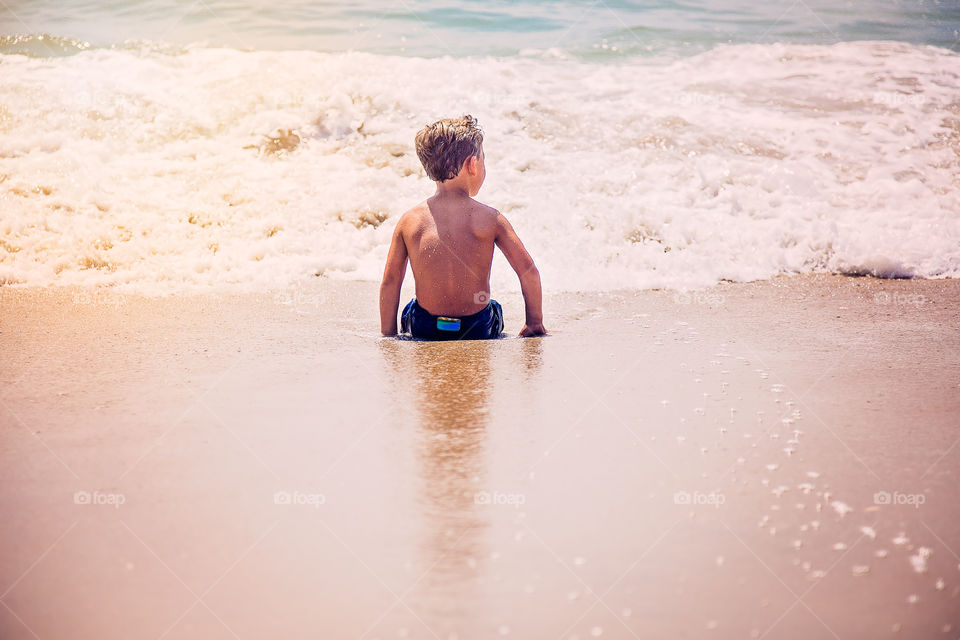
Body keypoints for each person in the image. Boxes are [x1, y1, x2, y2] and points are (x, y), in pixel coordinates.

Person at [379, 115, 546, 340]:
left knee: (410, 310)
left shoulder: (410, 221)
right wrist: (534, 323)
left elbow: (390, 282)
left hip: (427, 326)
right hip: (477, 327)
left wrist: (389, 336)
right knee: (493, 307)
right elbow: (528, 271)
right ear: (472, 165)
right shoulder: (490, 218)